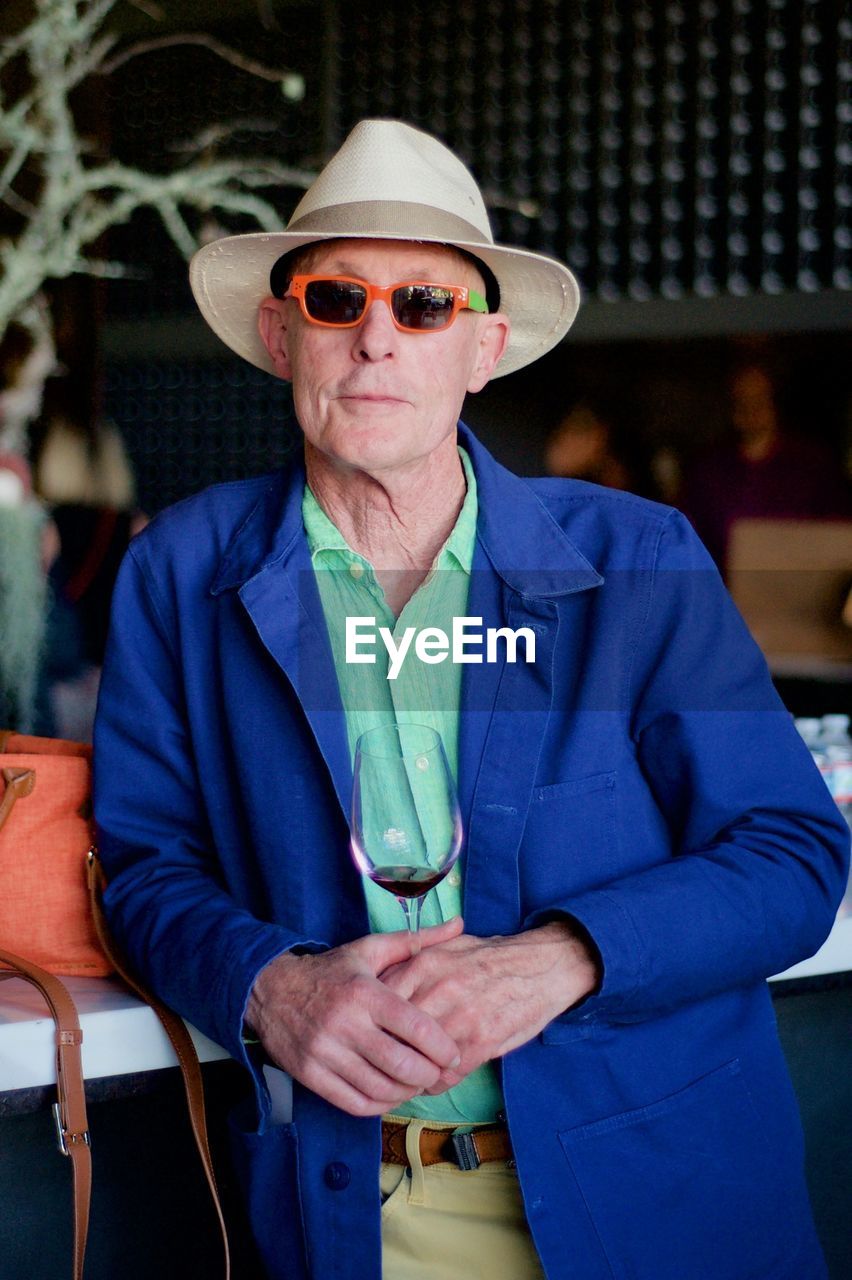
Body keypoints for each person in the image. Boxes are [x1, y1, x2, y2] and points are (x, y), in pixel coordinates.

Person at [93, 120, 850, 1280]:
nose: (376, 341)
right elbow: (145, 863)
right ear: (280, 330)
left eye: (424, 307)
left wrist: (561, 957)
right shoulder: (180, 570)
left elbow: (795, 851)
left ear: (485, 348)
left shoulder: (638, 555)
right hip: (346, 1213)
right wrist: (273, 984)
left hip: (657, 1198)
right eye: (337, 298)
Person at [679, 360, 852, 574]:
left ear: (774, 402)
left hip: (803, 595)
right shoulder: (709, 471)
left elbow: (839, 536)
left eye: (760, 399)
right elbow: (688, 542)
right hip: (727, 597)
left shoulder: (811, 466)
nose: (751, 409)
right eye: (742, 401)